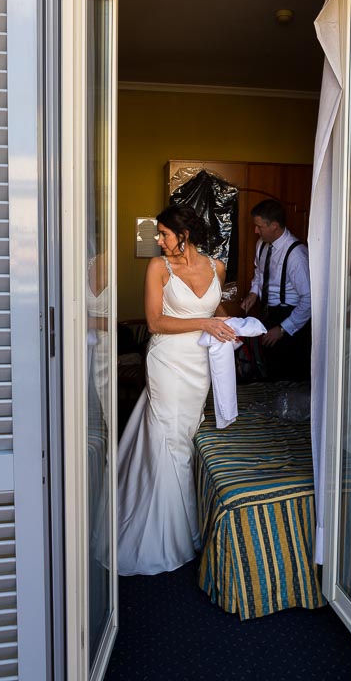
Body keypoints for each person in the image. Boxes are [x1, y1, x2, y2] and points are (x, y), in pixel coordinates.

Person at [117, 204, 237, 576]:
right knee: (172, 439)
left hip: (199, 365)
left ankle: (185, 524)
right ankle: (169, 535)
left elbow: (217, 308)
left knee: (187, 436)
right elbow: (154, 321)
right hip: (168, 362)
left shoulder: (217, 267)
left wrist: (231, 323)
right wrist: (205, 320)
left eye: (164, 233)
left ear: (183, 235)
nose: (158, 239)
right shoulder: (159, 267)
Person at [241, 199, 311, 381]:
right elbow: (260, 272)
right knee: (270, 370)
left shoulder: (297, 255)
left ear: (274, 226)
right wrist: (253, 293)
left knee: (288, 374)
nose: (256, 231)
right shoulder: (262, 244)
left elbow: (309, 299)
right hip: (268, 313)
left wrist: (282, 329)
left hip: (291, 318)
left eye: (259, 226)